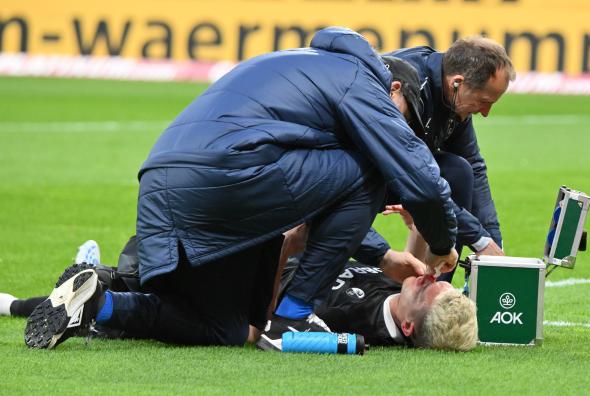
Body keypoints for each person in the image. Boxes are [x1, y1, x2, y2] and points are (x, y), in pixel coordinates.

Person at [23, 27, 460, 350]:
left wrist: (380, 255)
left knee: (231, 330)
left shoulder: (308, 64)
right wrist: (443, 243)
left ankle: (99, 302)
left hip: (167, 182)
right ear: (395, 89)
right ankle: (294, 316)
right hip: (228, 179)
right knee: (379, 165)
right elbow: (419, 180)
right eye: (405, 120)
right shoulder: (364, 86)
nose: (401, 130)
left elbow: (320, 197)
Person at [5, 238, 478, 351]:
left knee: (139, 282)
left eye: (429, 289)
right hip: (251, 257)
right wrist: (417, 229)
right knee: (135, 276)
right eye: (436, 280)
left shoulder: (355, 329)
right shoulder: (397, 293)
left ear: (410, 326)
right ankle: (92, 282)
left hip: (249, 276)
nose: (429, 278)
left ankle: (24, 303)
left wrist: (287, 248)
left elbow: (270, 328)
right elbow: (418, 267)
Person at [356, 37, 516, 283]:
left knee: (458, 171)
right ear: (457, 83)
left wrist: (494, 244)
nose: (485, 113)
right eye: (484, 102)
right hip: (352, 174)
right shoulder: (406, 88)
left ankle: (435, 292)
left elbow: (473, 164)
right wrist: (479, 239)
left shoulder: (454, 96)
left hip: (397, 173)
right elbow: (416, 177)